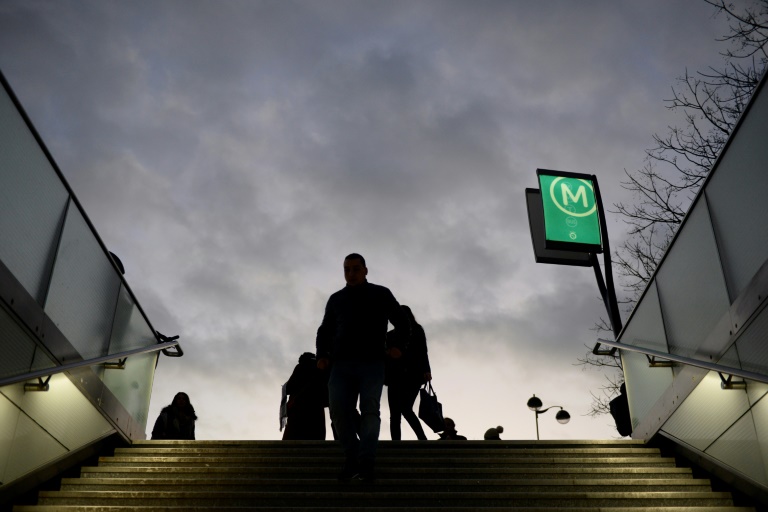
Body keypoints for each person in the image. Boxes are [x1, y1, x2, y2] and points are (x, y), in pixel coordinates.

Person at [316, 253, 410, 483]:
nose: (351, 273)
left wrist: (398, 346)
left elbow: (403, 321)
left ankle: (366, 462)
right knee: (338, 410)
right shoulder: (336, 299)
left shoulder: (381, 293)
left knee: (369, 410)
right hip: (342, 364)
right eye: (347, 269)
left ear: (365, 270)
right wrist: (322, 355)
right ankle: (352, 457)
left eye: (356, 269)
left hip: (372, 362)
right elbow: (325, 330)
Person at [386, 305, 431, 441]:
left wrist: (426, 370)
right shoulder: (390, 335)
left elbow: (423, 352)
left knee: (404, 409)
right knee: (395, 413)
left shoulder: (417, 331)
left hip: (413, 376)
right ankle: (397, 442)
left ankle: (422, 438)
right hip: (395, 376)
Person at [282, 352, 328, 440]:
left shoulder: (300, 367)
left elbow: (289, 387)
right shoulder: (320, 368)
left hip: (299, 408)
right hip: (316, 408)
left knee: (293, 438)